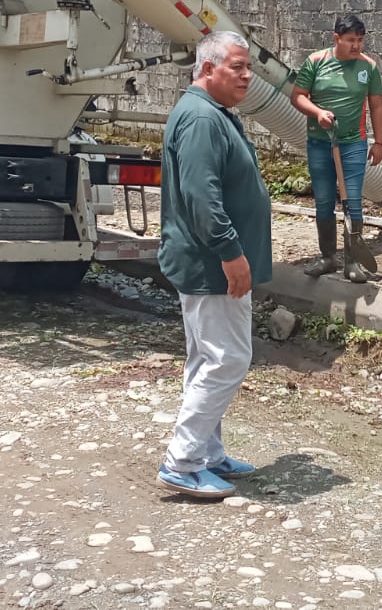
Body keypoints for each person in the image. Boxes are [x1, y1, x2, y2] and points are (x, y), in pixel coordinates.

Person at [156, 31, 273, 499]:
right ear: (208, 69)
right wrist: (231, 253)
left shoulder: (212, 113)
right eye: (237, 67)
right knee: (228, 359)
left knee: (206, 358)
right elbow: (201, 197)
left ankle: (206, 453)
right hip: (212, 264)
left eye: (249, 68)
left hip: (212, 261)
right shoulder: (202, 119)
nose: (247, 76)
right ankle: (182, 462)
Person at [290, 13, 382, 281]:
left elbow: (377, 105)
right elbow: (297, 96)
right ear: (336, 38)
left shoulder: (368, 67)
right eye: (351, 40)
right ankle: (328, 257)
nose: (356, 46)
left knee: (352, 202)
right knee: (323, 202)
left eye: (360, 40)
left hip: (353, 144)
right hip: (320, 144)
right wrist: (318, 113)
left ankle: (352, 263)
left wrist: (379, 142)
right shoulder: (316, 62)